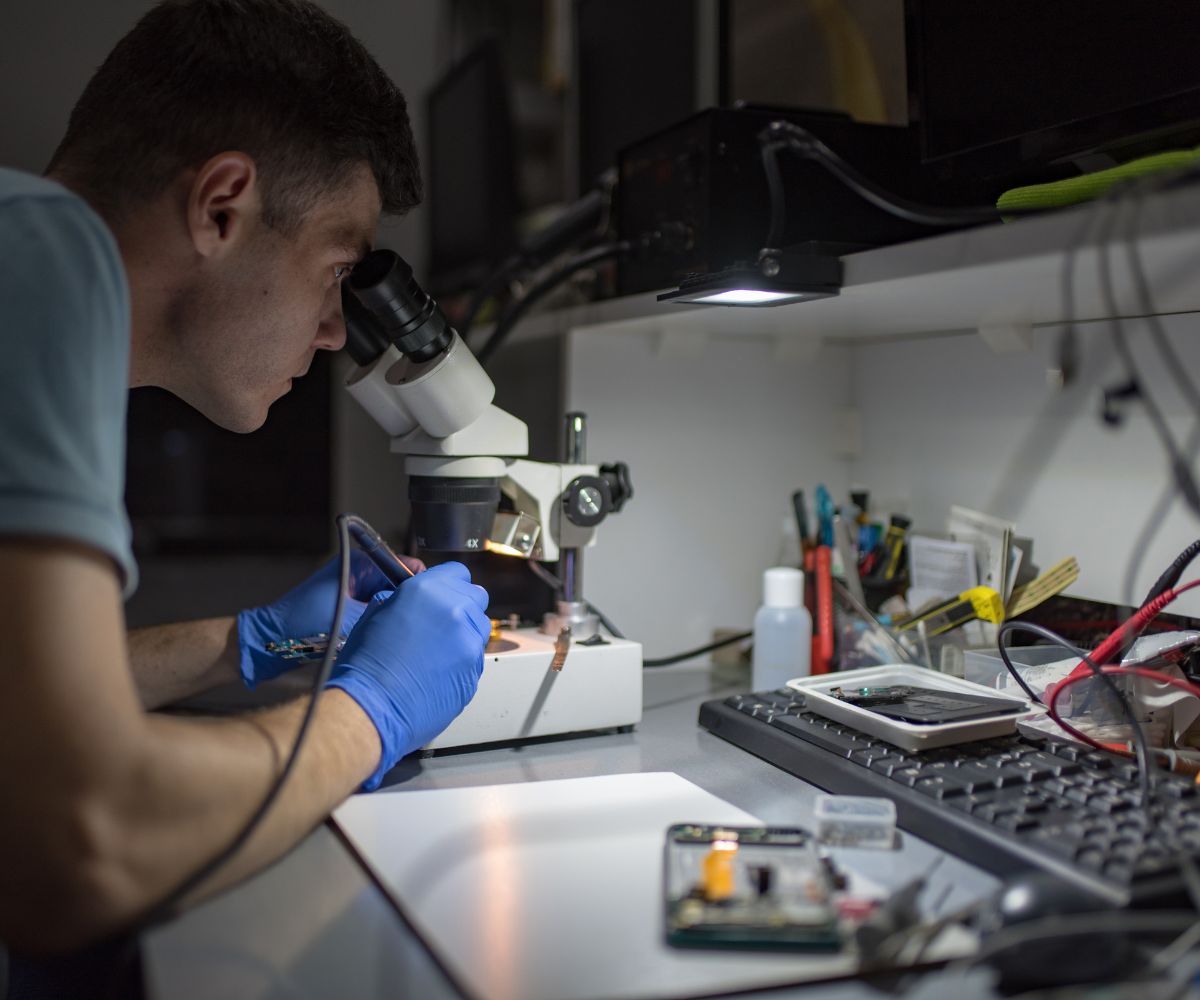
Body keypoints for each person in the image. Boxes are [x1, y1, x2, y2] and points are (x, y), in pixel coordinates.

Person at [0, 0, 490, 978]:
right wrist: (372, 711)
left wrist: (249, 642)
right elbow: (77, 843)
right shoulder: (44, 258)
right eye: (335, 269)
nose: (334, 332)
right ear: (222, 205)